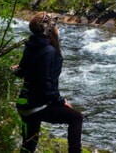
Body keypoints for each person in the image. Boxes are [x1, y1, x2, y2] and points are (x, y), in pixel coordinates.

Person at [13, 12, 83, 153]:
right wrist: (61, 101)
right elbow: (46, 85)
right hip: (37, 106)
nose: (57, 28)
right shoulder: (49, 51)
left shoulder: (31, 45)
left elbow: (22, 72)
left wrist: (16, 69)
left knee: (28, 146)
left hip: (24, 104)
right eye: (55, 25)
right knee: (76, 118)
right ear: (49, 29)